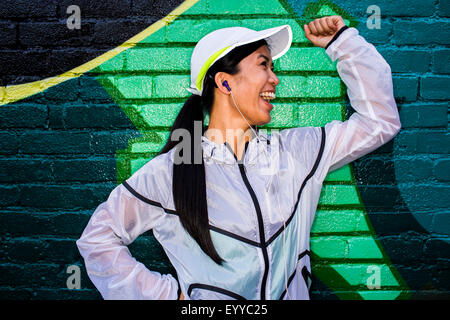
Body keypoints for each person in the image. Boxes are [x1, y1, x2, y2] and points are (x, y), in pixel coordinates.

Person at [76, 15, 401, 300]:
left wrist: (343, 44)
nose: (275, 79)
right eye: (264, 65)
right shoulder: (170, 172)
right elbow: (98, 238)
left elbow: (379, 122)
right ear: (225, 82)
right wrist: (166, 295)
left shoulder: (298, 151)